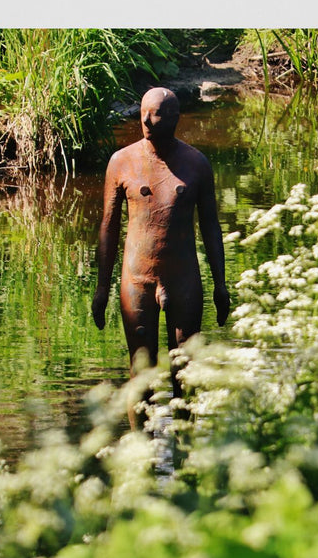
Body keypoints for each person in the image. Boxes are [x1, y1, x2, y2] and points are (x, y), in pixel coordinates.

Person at [91, 87, 229, 372]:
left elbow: (211, 226)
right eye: (143, 114)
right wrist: (101, 288)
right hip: (137, 280)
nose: (146, 122)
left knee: (186, 374)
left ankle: (183, 417)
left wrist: (220, 285)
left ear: (175, 119)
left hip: (184, 280)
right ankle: (141, 418)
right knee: (141, 374)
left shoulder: (196, 164)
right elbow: (109, 226)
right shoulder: (121, 162)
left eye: (155, 115)